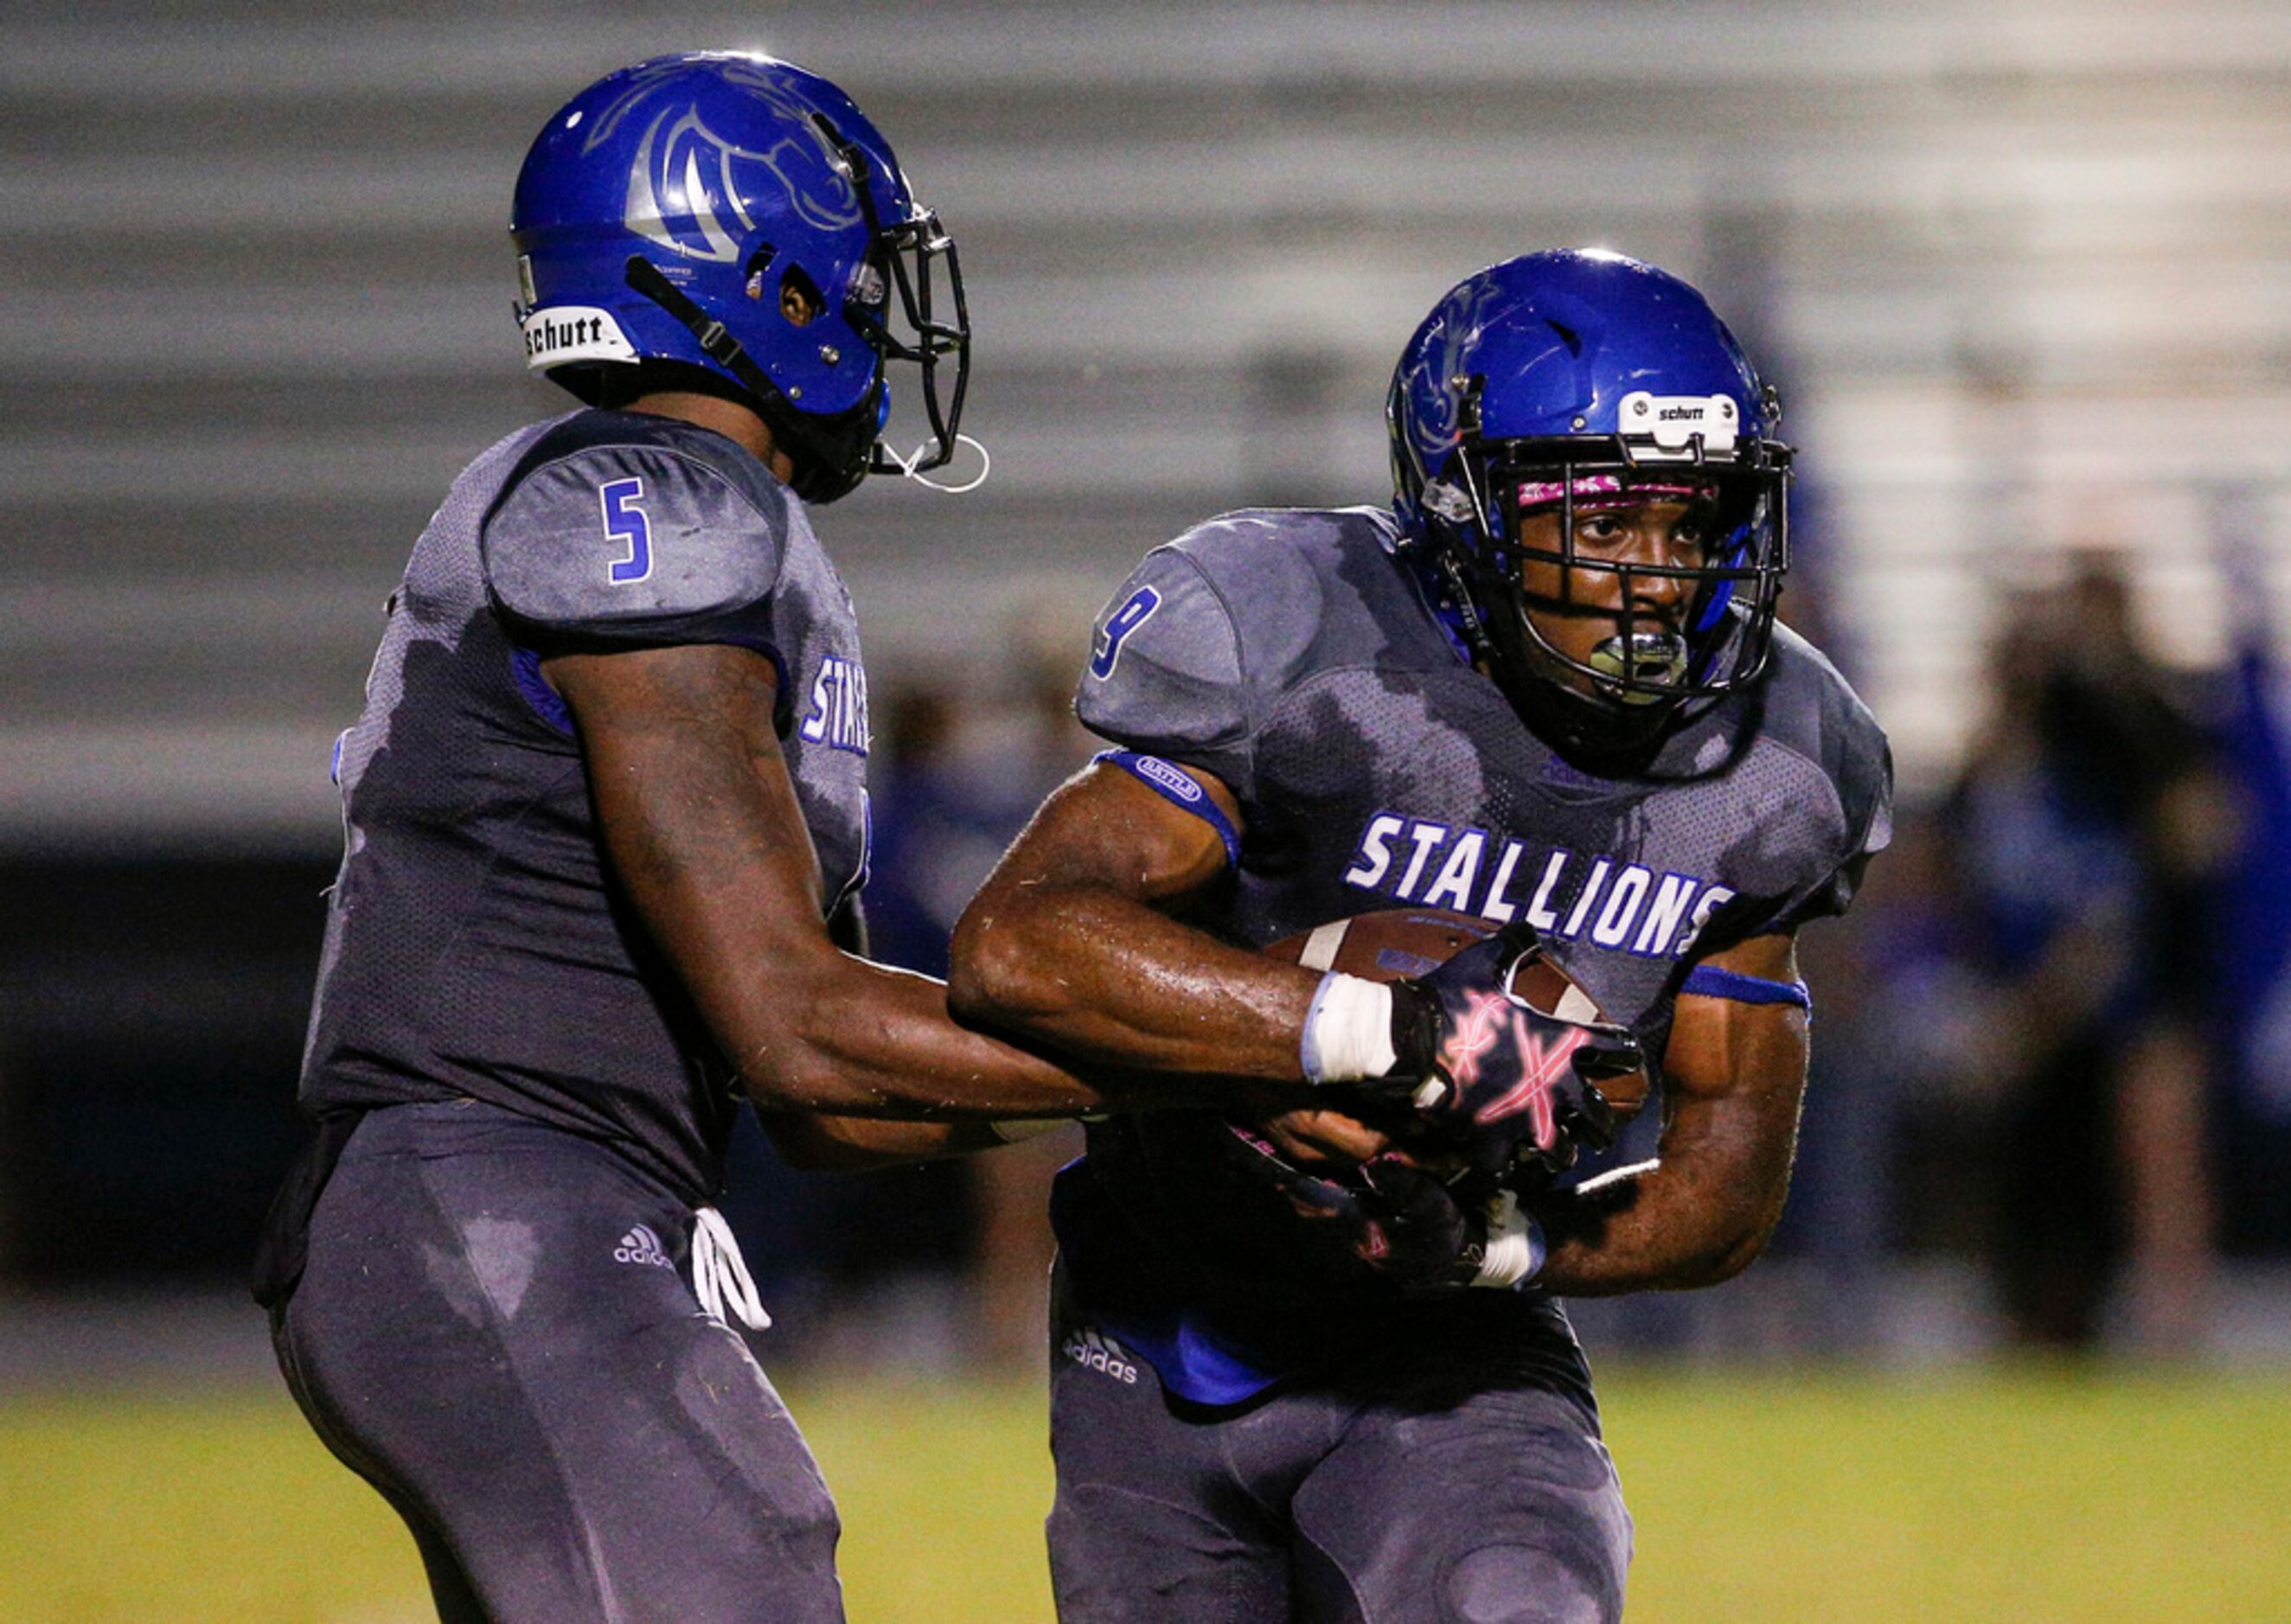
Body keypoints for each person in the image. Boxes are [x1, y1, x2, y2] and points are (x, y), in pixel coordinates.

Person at [249, 53, 1346, 1622]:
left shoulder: (719, 530)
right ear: (763, 277)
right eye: (858, 271)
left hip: (548, 1201)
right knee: (742, 1571)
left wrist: (1186, 1087)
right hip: (492, 1196)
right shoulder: (649, 505)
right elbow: (801, 1029)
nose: (886, 319)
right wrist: (1259, 1041)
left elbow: (836, 1106)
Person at [949, 249, 1893, 1622]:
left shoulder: (1780, 758)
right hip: (1157, 1325)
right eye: (1605, 520)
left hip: (1457, 1356)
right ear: (1463, 509)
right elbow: (1021, 941)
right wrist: (1374, 1042)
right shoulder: (1300, 639)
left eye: (1692, 524)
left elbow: (1721, 1193)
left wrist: (1486, 1246)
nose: (1658, 575)